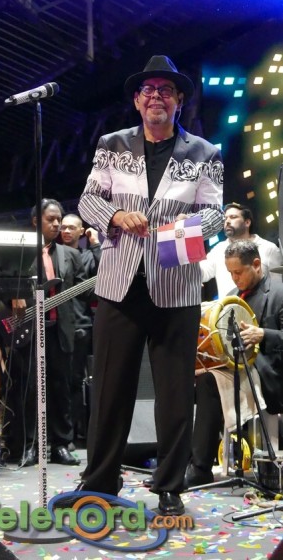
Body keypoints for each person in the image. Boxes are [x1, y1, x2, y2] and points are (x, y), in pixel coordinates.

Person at [61, 54, 225, 517]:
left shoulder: (205, 153)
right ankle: (100, 481)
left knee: (175, 393)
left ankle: (169, 486)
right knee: (110, 389)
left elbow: (214, 214)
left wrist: (175, 231)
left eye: (166, 91)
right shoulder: (112, 144)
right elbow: (89, 199)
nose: (157, 97)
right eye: (149, 90)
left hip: (176, 284)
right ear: (137, 101)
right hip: (120, 283)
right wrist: (115, 215)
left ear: (179, 102)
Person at [186, 239, 283, 487]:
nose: (234, 278)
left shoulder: (279, 292)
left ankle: (200, 467)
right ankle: (193, 463)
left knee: (210, 382)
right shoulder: (231, 297)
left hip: (271, 370)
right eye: (230, 273)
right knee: (201, 377)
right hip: (239, 369)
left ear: (257, 264)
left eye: (238, 272)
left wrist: (263, 334)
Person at [10, 199, 88, 466]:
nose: (57, 224)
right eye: (51, 219)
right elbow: (4, 280)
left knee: (60, 388)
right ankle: (31, 445)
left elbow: (84, 290)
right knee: (30, 388)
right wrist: (14, 295)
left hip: (60, 330)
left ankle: (61, 444)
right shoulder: (20, 250)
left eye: (59, 220)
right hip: (30, 328)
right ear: (36, 221)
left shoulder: (70, 255)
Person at [60, 213, 101, 444]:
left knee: (76, 381)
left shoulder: (87, 256)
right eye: (63, 227)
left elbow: (105, 274)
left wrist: (95, 243)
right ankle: (61, 434)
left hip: (81, 324)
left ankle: (75, 434)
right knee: (60, 381)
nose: (66, 231)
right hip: (58, 324)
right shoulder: (54, 254)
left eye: (71, 228)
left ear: (81, 230)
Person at [200, 202, 283, 299]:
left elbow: (278, 284)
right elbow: (201, 273)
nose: (227, 221)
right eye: (225, 218)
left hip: (262, 307)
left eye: (233, 217)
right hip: (228, 307)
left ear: (247, 222)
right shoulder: (218, 250)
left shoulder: (268, 248)